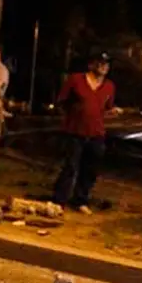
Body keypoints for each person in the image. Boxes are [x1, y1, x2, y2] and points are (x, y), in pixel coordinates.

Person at [52, 50, 121, 214]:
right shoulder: (76, 80)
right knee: (70, 167)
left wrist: (113, 111)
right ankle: (59, 200)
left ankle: (80, 200)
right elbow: (62, 102)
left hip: (96, 134)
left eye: (106, 64)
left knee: (90, 169)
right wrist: (67, 119)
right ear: (91, 64)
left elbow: (106, 108)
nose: (103, 67)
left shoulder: (109, 86)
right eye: (100, 63)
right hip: (74, 131)